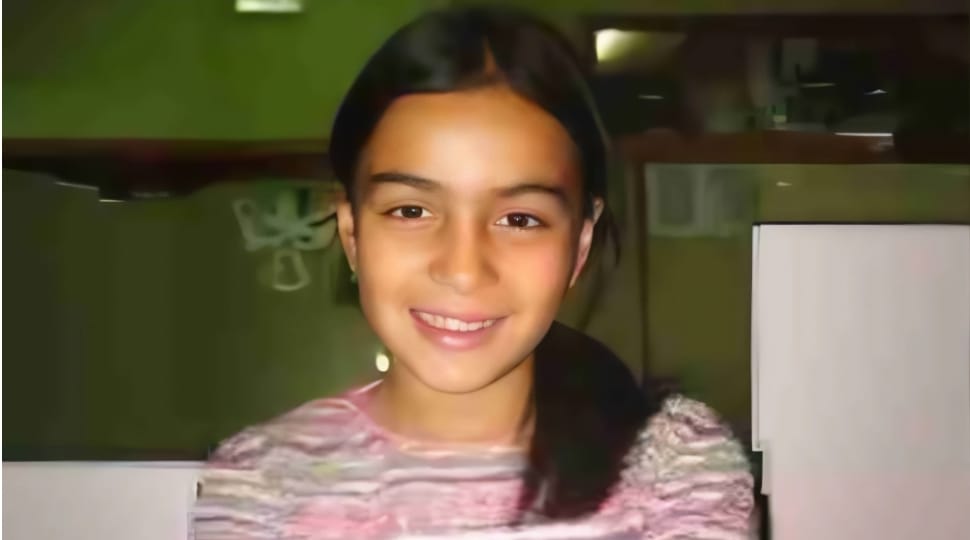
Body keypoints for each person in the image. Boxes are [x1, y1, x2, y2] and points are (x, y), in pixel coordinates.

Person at [192, 6, 754, 539]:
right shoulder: (263, 482)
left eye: (519, 219)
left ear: (579, 245)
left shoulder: (672, 466)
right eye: (411, 211)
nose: (462, 270)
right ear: (352, 234)